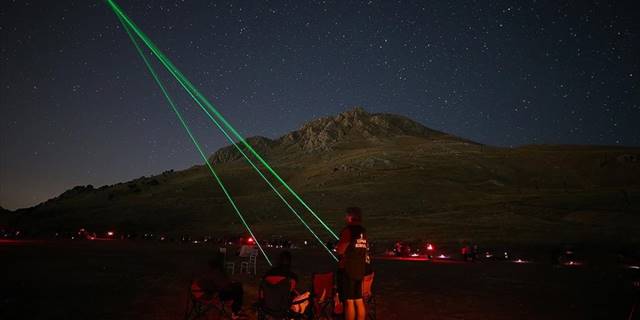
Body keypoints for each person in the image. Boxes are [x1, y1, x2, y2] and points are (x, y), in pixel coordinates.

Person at [336, 207, 368, 320]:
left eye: (346, 215)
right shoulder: (363, 231)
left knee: (349, 302)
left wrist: (337, 248)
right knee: (359, 300)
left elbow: (340, 250)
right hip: (360, 270)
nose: (345, 218)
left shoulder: (348, 230)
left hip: (348, 270)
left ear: (350, 217)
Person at [196, 253, 245, 319]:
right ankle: (235, 312)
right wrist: (229, 284)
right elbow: (223, 286)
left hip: (211, 292)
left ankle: (236, 309)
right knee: (238, 291)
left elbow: (220, 284)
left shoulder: (208, 272)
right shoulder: (215, 273)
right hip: (215, 294)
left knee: (237, 286)